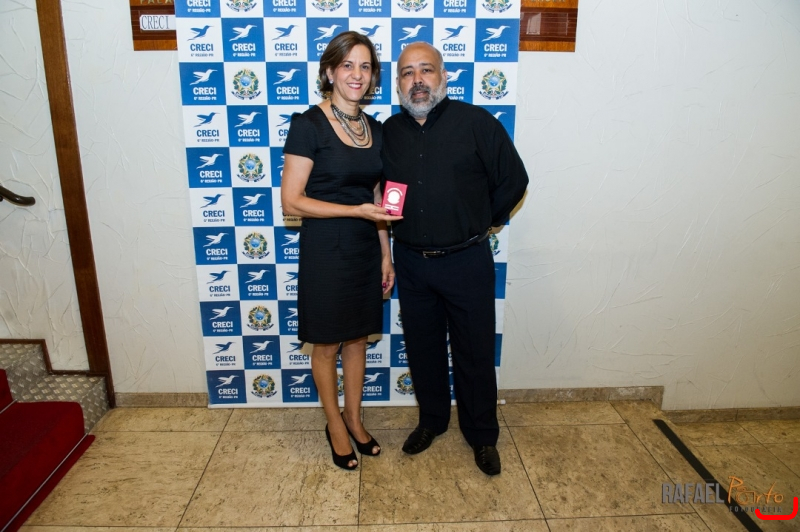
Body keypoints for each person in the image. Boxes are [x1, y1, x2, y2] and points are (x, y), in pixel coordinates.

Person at [381, 42, 529, 476]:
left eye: (426, 70)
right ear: (398, 84)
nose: (418, 80)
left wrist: (483, 219)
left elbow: (514, 178)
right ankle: (432, 421)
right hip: (412, 262)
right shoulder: (389, 132)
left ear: (443, 76)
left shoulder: (476, 122)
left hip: (466, 260)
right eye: (408, 73)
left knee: (474, 351)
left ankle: (482, 435)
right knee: (423, 348)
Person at [281, 31, 400, 470]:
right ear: (330, 72)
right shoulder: (308, 124)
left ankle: (354, 416)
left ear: (373, 77)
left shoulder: (377, 129)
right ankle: (334, 424)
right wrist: (355, 211)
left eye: (365, 66)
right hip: (326, 250)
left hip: (366, 249)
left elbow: (377, 197)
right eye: (348, 65)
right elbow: (292, 201)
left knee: (358, 339)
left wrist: (385, 253)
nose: (357, 74)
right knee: (327, 343)